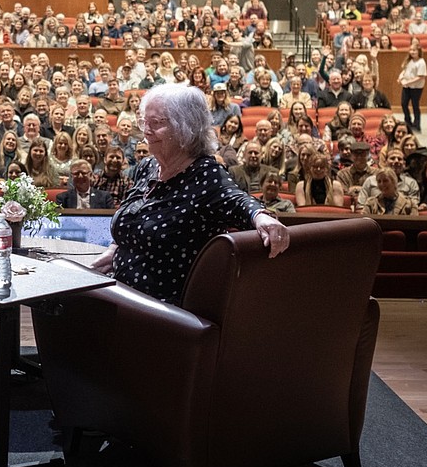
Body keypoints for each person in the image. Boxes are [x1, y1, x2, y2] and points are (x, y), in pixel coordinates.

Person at [90, 84, 289, 304]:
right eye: (145, 122)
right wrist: (114, 251)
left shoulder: (205, 174)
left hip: (165, 312)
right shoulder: (147, 167)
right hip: (121, 293)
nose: (146, 130)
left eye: (156, 123)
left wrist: (260, 216)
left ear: (185, 128)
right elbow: (134, 218)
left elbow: (237, 200)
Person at [398, 44, 427, 133]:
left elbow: (420, 76)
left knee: (415, 105)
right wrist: (400, 77)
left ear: (419, 52)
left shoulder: (421, 62)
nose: (412, 52)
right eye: (411, 50)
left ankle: (417, 124)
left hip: (416, 87)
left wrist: (408, 82)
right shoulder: (409, 60)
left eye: (414, 50)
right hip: (407, 86)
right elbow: (405, 70)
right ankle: (408, 121)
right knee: (403, 104)